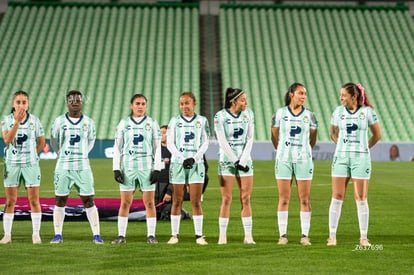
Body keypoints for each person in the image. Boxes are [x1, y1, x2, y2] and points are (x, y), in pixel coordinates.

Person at [328, 83, 381, 247]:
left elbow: (377, 135)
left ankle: (363, 238)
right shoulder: (338, 112)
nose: (341, 98)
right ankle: (332, 236)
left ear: (354, 96)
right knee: (337, 196)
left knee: (361, 198)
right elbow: (333, 133)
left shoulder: (368, 113)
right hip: (341, 158)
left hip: (361, 158)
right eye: (340, 95)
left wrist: (363, 149)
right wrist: (341, 147)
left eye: (343, 95)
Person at [49, 90, 103, 244]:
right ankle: (58, 234)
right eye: (71, 100)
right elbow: (54, 140)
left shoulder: (89, 122)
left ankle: (96, 235)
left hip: (83, 166)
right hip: (63, 166)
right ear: (67, 102)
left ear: (81, 102)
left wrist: (83, 153)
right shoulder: (59, 121)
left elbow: (91, 141)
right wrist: (61, 153)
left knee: (88, 200)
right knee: (60, 199)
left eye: (78, 99)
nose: (75, 102)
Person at [271, 83, 318, 246]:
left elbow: (313, 138)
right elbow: (274, 135)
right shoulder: (280, 113)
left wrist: (304, 151)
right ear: (291, 94)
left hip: (304, 159)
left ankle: (305, 235)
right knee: (284, 198)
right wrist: (282, 150)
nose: (303, 96)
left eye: (305, 94)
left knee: (304, 198)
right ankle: (282, 235)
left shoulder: (310, 115)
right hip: (284, 159)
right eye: (300, 93)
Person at [111, 94, 162, 244]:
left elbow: (157, 147)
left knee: (150, 203)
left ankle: (151, 235)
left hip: (147, 167)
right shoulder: (123, 123)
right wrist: (116, 168)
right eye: (137, 103)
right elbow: (117, 148)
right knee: (125, 202)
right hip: (128, 167)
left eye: (143, 104)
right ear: (131, 105)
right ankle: (121, 235)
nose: (140, 106)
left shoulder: (152, 123)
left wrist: (157, 168)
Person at [0, 91, 45, 244]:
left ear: (28, 104)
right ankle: (7, 235)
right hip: (12, 165)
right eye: (18, 102)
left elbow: (41, 143)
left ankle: (36, 234)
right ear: (13, 104)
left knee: (34, 200)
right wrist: (17, 122)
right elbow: (7, 140)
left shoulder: (35, 120)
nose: (21, 105)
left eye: (24, 102)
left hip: (30, 165)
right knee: (10, 201)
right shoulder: (6, 120)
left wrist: (31, 155)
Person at [166, 92, 210, 245]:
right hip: (178, 164)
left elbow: (205, 142)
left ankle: (199, 236)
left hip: (196, 165)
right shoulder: (174, 121)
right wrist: (182, 158)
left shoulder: (202, 121)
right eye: (182, 103)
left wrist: (194, 158)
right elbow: (170, 143)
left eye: (187, 103)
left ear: (194, 104)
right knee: (176, 200)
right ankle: (174, 235)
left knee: (195, 201)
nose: (184, 106)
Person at [214, 87, 255, 245]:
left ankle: (248, 236)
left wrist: (243, 160)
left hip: (245, 161)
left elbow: (250, 138)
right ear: (234, 101)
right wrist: (235, 160)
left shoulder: (249, 114)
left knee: (245, 198)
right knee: (226, 198)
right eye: (243, 99)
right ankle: (222, 236)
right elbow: (222, 141)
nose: (246, 102)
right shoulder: (220, 116)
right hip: (226, 161)